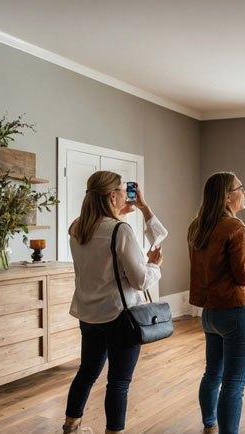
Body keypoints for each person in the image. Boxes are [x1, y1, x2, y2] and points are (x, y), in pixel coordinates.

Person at [62, 171, 167, 434]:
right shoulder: (120, 230)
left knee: (86, 374)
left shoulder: (77, 227)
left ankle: (70, 427)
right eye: (122, 190)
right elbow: (140, 280)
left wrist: (132, 211)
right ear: (112, 195)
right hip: (119, 316)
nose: (126, 194)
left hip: (88, 314)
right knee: (119, 382)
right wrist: (154, 266)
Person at [188, 172, 245, 434]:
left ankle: (209, 425)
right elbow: (244, 275)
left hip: (210, 313)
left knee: (212, 375)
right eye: (240, 188)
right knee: (234, 384)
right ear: (227, 195)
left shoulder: (197, 226)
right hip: (237, 312)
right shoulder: (235, 227)